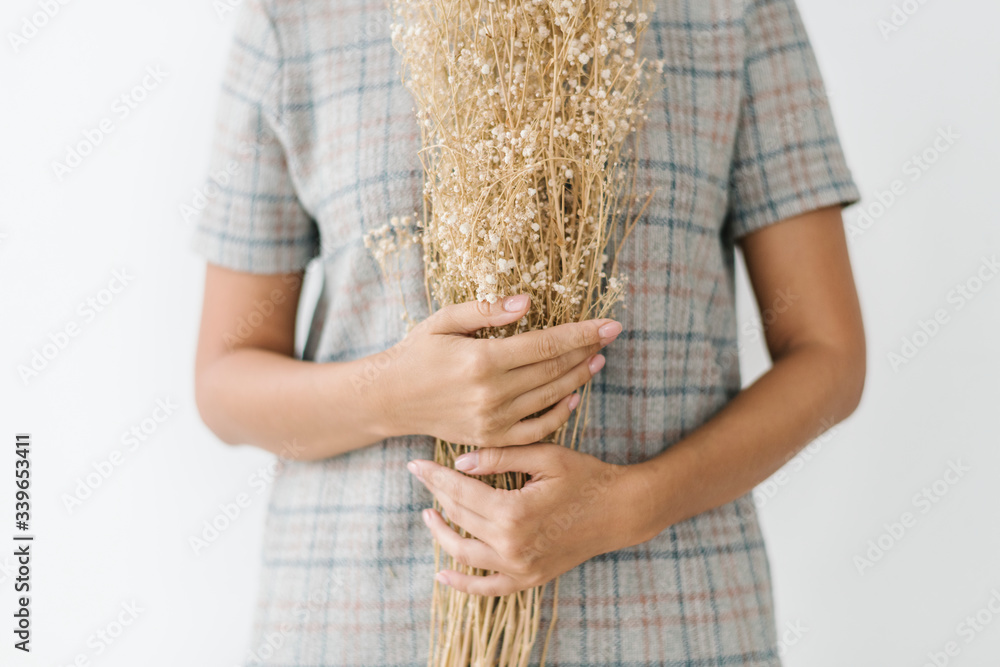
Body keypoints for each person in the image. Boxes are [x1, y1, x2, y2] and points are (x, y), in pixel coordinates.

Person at [191, 0, 865, 664]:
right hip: (365, 624)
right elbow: (225, 379)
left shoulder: (732, 13)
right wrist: (391, 392)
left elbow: (828, 355)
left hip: (666, 620)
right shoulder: (297, 18)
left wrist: (636, 502)